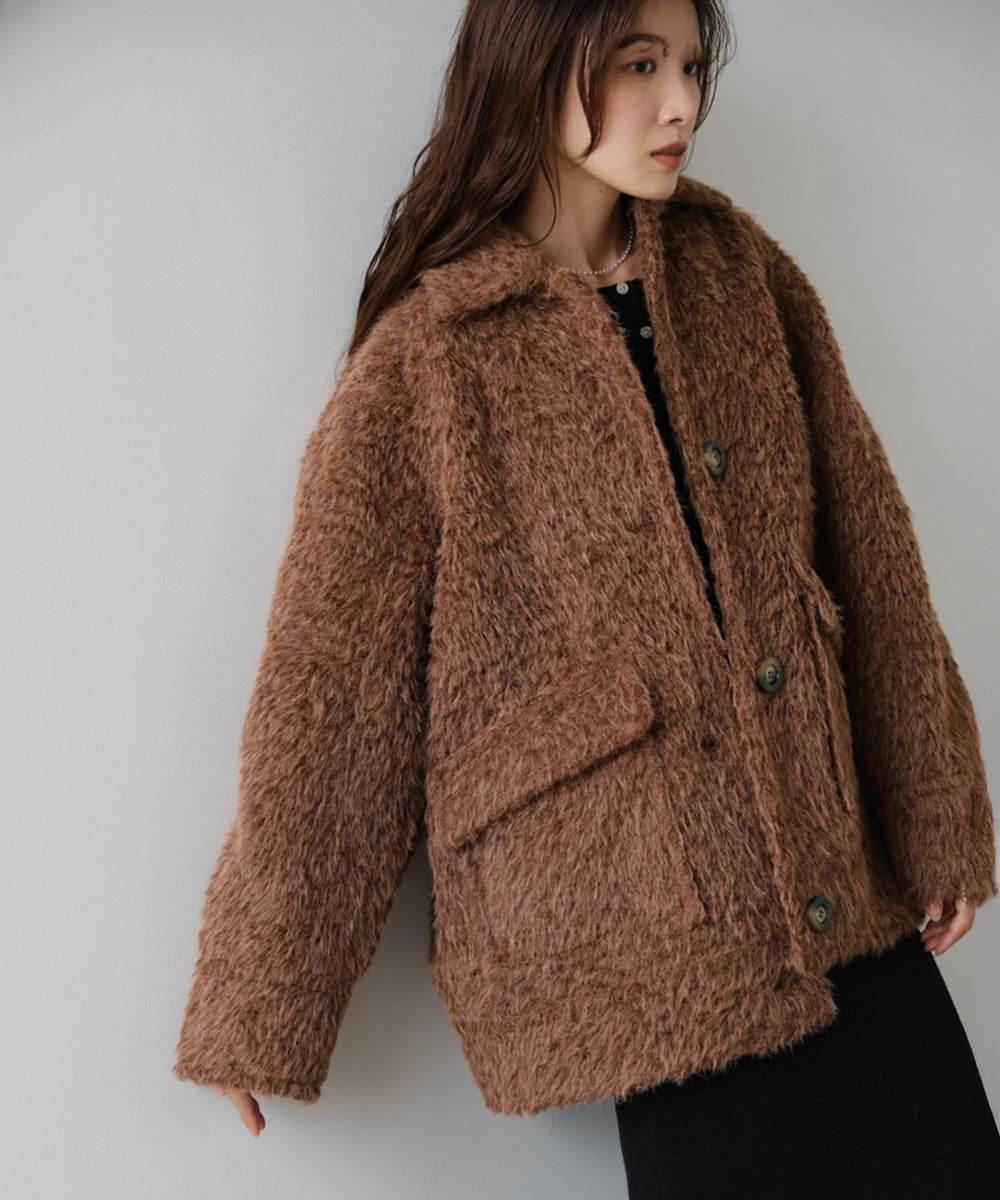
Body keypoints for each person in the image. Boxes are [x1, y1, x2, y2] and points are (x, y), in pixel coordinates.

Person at [174, 0, 1000, 1193]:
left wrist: (935, 813)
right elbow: (333, 703)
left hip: (853, 910)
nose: (680, 105)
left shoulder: (735, 270)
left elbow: (868, 549)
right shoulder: (429, 358)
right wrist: (261, 1000)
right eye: (637, 64)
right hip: (650, 961)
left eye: (691, 67)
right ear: (533, 60)